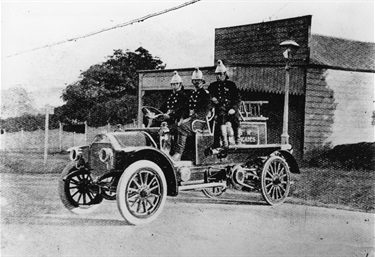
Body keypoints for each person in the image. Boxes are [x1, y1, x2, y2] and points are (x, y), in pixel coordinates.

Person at [171, 67, 211, 161]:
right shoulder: (192, 94)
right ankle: (172, 151)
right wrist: (181, 117)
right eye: (195, 80)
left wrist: (190, 118)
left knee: (182, 127)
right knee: (174, 126)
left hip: (200, 122)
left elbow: (204, 112)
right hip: (192, 121)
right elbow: (186, 108)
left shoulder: (205, 94)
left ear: (202, 82)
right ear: (192, 82)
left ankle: (178, 154)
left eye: (199, 80)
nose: (197, 82)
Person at [208, 60, 241, 148]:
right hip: (219, 109)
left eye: (221, 74)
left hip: (230, 109)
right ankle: (224, 141)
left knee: (235, 118)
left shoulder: (231, 85)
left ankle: (238, 139)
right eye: (217, 74)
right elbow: (209, 97)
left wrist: (233, 108)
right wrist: (212, 100)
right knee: (221, 116)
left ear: (225, 74)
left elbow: (237, 99)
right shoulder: (212, 86)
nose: (219, 76)